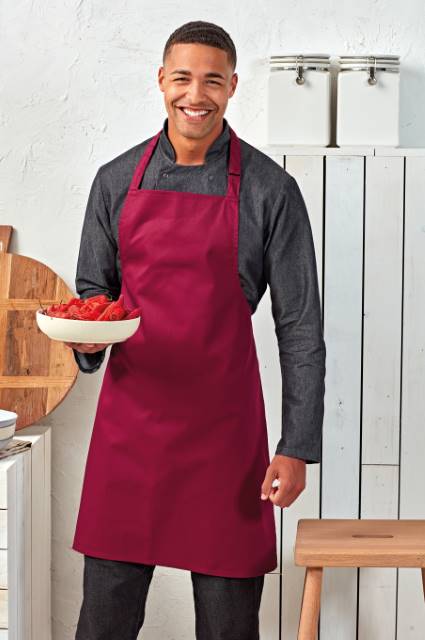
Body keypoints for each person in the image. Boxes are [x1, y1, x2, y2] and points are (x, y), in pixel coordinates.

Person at [66, 20, 326, 640]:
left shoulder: (270, 189)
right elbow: (94, 296)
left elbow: (300, 327)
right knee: (103, 623)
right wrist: (87, 343)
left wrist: (297, 445)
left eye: (213, 80)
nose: (196, 94)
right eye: (182, 77)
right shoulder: (115, 180)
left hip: (225, 442)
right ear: (161, 81)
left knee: (229, 625)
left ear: (232, 87)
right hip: (130, 435)